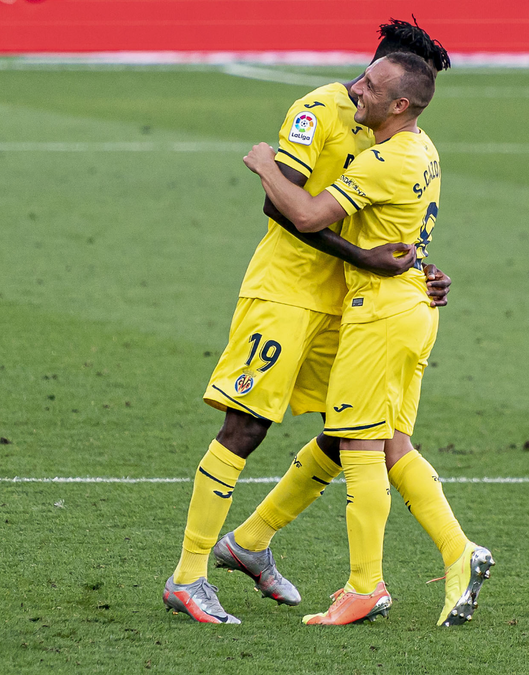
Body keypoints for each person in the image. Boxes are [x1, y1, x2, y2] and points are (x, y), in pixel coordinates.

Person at [163, 20, 455, 624]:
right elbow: (280, 203)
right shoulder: (319, 109)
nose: (365, 89)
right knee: (246, 427)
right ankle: (188, 577)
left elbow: (393, 220)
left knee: (351, 435)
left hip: (350, 303)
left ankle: (251, 541)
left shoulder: (399, 136)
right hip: (286, 294)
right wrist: (365, 259)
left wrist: (417, 270)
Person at [242, 51, 492, 626]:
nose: (357, 89)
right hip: (413, 307)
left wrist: (265, 166)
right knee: (395, 446)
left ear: (400, 104)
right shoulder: (423, 148)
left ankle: (364, 586)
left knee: (359, 448)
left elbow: (307, 216)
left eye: (371, 86)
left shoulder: (384, 160)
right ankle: (459, 553)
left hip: (378, 313)